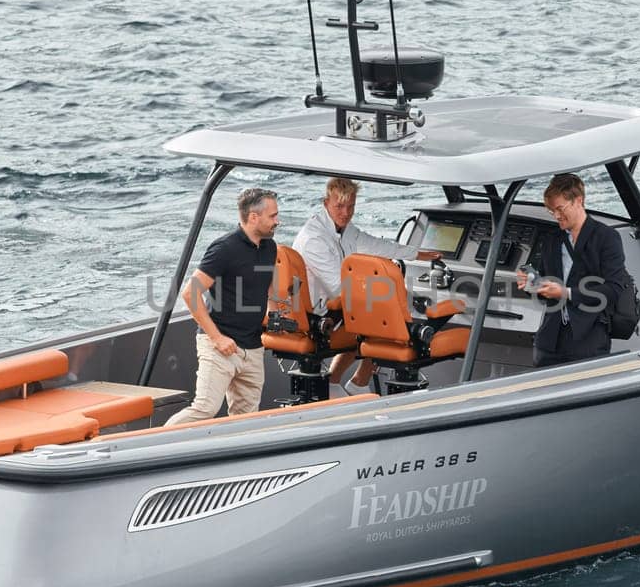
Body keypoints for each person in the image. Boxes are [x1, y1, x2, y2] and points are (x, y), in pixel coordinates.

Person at [293, 177, 441, 393]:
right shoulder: (314, 239)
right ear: (326, 203)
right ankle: (353, 384)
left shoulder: (343, 228)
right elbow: (339, 288)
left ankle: (342, 384)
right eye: (339, 206)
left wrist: (418, 254)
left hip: (334, 306)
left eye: (351, 206)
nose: (345, 213)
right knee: (384, 318)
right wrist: (382, 290)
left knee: (378, 309)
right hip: (318, 313)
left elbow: (374, 244)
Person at [166, 187, 280, 425]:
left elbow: (266, 289)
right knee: (205, 409)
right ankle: (151, 449)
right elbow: (190, 294)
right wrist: (218, 338)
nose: (277, 221)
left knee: (246, 419)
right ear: (253, 217)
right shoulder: (224, 248)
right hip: (219, 346)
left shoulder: (270, 248)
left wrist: (273, 313)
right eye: (272, 216)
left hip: (253, 348)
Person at [516, 173, 629, 368]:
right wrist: (532, 284)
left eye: (560, 208)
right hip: (549, 340)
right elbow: (546, 293)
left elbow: (613, 290)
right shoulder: (551, 239)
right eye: (552, 211)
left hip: (589, 338)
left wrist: (566, 293)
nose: (557, 215)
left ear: (578, 200)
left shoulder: (606, 237)